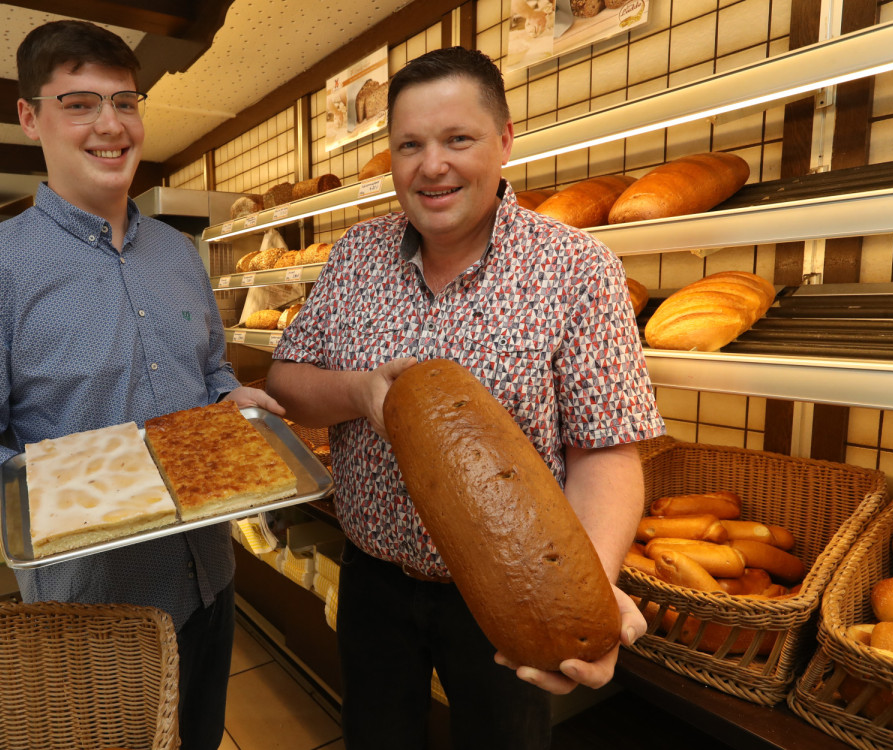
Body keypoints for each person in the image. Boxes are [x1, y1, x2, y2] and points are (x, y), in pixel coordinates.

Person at [266, 46, 665, 749]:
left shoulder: (576, 268)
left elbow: (606, 450)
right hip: (373, 581)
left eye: (459, 139)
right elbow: (287, 383)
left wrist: (582, 594)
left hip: (509, 597)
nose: (433, 165)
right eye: (410, 145)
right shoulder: (355, 256)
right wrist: (360, 392)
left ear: (505, 140)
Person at [0, 20, 281, 750]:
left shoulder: (180, 254)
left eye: (125, 102)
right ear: (29, 117)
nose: (110, 125)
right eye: (79, 104)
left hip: (210, 577)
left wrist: (230, 399)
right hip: (92, 612)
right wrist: (74, 499)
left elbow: (207, 373)